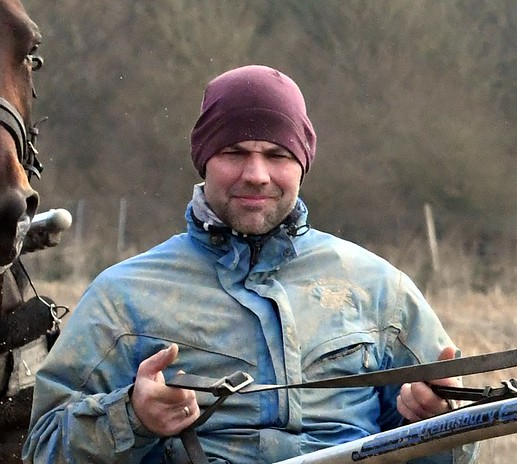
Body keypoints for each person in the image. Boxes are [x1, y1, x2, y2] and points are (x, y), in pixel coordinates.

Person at [22, 65, 478, 463]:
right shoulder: (123, 297)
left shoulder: (380, 289)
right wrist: (132, 416)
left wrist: (438, 421)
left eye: (277, 155)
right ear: (203, 161)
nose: (256, 174)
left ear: (302, 164)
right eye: (234, 153)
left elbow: (458, 450)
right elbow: (40, 447)